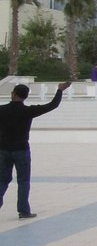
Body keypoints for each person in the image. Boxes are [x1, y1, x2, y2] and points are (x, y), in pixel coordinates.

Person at [0, 81, 71, 219]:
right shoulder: (28, 111)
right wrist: (60, 90)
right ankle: (23, 210)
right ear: (25, 96)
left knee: (2, 179)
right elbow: (53, 105)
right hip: (21, 149)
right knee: (23, 180)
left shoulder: (1, 110)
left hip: (3, 149)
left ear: (13, 94)